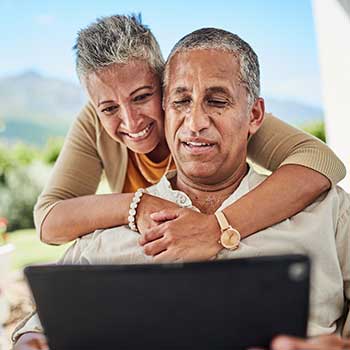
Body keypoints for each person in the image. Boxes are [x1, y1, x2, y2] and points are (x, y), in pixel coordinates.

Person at [13, 27, 350, 350]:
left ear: (255, 115)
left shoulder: (326, 212)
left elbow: (322, 161)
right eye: (181, 101)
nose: (195, 123)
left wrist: (218, 229)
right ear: (166, 108)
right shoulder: (102, 236)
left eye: (217, 101)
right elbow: (36, 329)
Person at [35, 15, 345, 261]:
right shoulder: (95, 121)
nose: (130, 121)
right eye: (109, 107)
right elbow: (49, 221)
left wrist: (218, 229)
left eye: (142, 96)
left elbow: (320, 161)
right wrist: (137, 205)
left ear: (164, 83)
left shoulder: (210, 113)